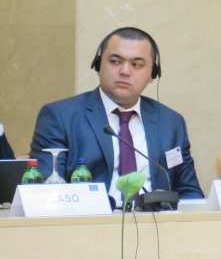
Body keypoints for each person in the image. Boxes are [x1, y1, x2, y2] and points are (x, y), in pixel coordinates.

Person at [29, 27, 202, 204]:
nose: (125, 71)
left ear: (152, 74)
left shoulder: (171, 122)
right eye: (115, 61)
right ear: (98, 66)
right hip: (88, 218)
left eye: (136, 65)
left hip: (156, 219)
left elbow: (190, 193)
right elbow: (45, 193)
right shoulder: (60, 117)